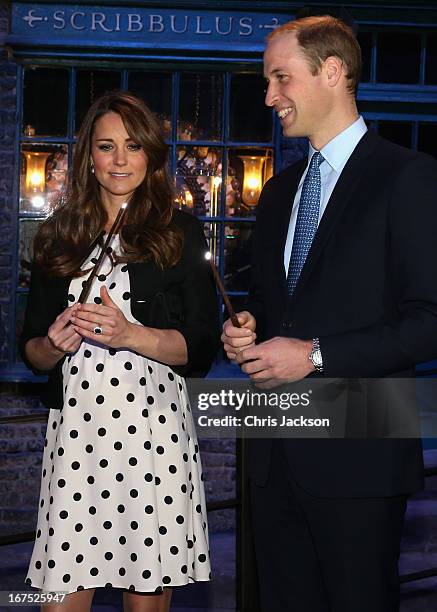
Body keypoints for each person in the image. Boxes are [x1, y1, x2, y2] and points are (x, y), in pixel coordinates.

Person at [222, 15, 437, 612]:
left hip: (361, 456)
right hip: (272, 455)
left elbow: (429, 320)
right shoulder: (280, 191)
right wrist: (246, 331)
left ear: (334, 72)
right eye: (268, 81)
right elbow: (270, 307)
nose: (269, 97)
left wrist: (315, 356)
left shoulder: (410, 178)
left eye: (280, 78)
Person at [21, 91, 220, 612]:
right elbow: (33, 353)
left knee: (145, 599)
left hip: (151, 436)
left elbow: (199, 347)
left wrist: (130, 334)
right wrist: (54, 342)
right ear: (90, 155)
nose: (119, 161)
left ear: (150, 154)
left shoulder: (179, 232)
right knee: (60, 597)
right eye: (106, 147)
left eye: (132, 146)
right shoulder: (58, 235)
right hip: (76, 438)